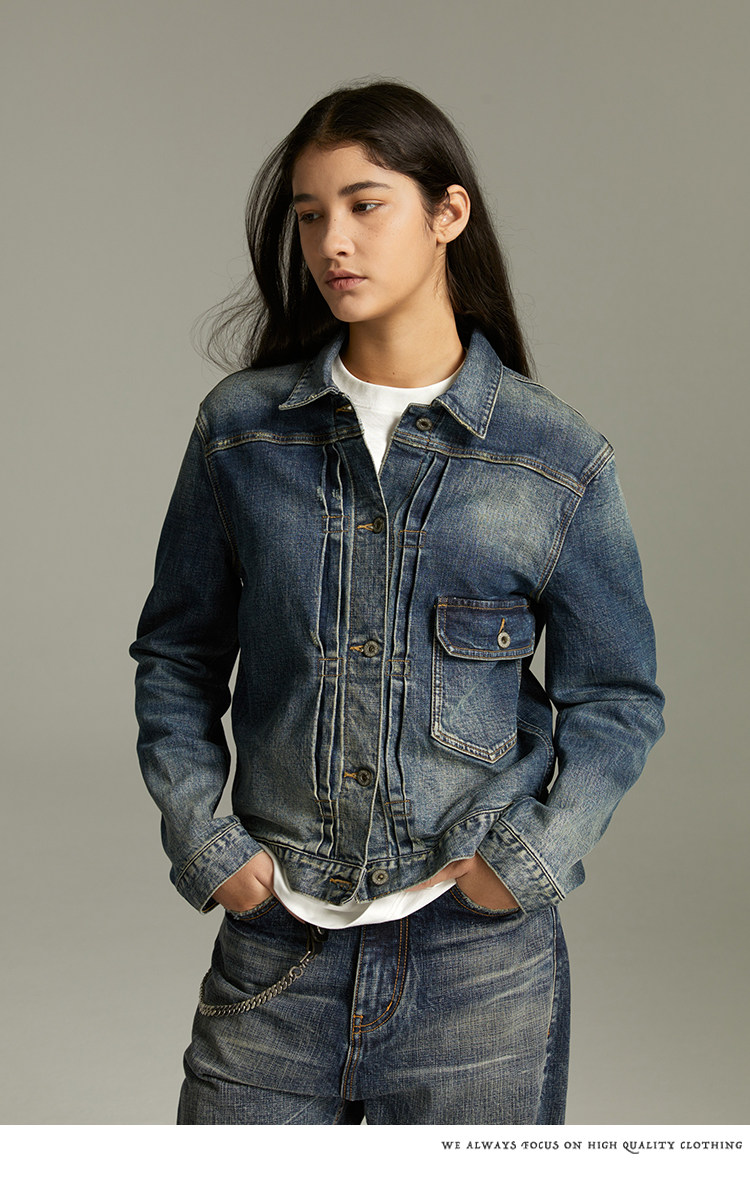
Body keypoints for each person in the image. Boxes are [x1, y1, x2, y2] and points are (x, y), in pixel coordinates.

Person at [130, 79, 664, 1126]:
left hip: (480, 974)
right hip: (276, 949)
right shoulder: (241, 431)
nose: (332, 241)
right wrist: (206, 840)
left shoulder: (554, 457)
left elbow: (618, 698)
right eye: (310, 214)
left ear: (447, 213)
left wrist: (528, 860)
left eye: (365, 205)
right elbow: (177, 656)